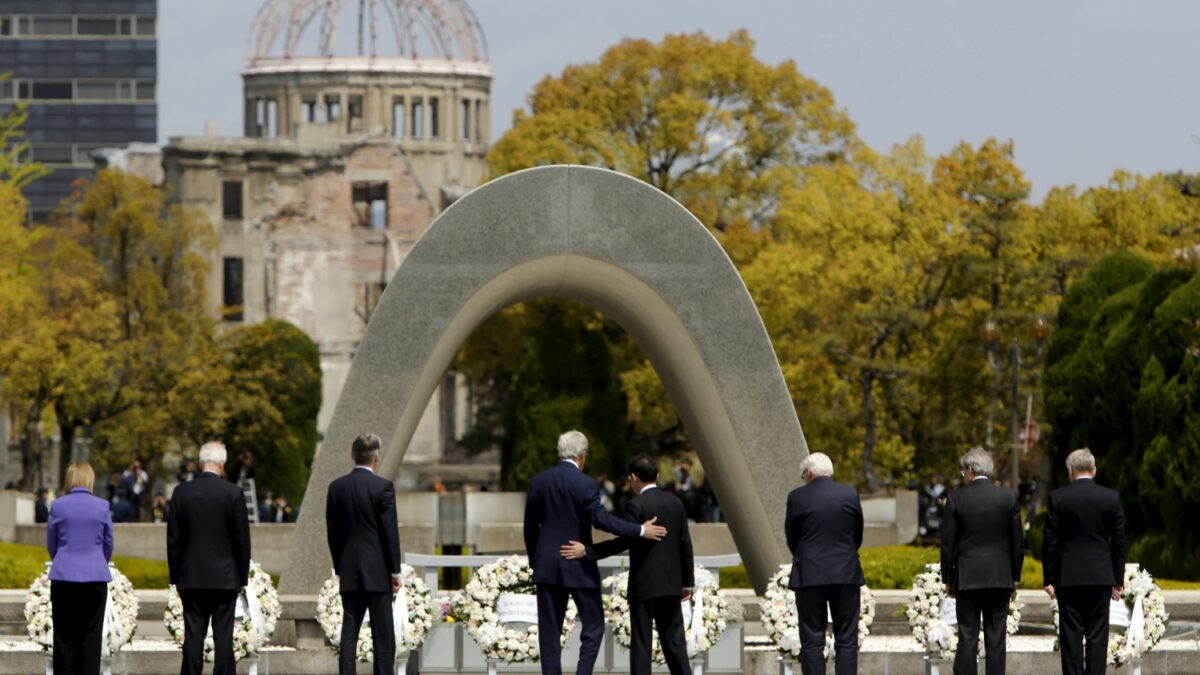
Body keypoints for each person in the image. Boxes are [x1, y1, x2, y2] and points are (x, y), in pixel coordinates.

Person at [523, 430, 667, 675]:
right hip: (579, 565)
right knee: (593, 626)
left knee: (549, 633)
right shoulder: (586, 483)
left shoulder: (539, 482)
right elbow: (601, 520)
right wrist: (640, 530)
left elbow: (529, 527)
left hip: (547, 567)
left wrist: (536, 560)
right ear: (582, 456)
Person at [560, 454, 694, 675]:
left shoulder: (636, 504)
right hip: (671, 584)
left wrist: (588, 551)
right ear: (658, 476)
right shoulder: (675, 502)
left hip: (644, 585)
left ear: (633, 478)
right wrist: (687, 582)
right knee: (675, 643)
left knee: (642, 645)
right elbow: (685, 543)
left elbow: (625, 540)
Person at [167, 442, 252, 675]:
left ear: (201, 462)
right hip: (225, 578)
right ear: (222, 465)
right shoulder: (233, 493)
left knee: (193, 637)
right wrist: (241, 578)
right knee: (224, 638)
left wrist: (176, 577)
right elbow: (242, 540)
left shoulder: (181, 492)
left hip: (191, 578)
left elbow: (173, 539)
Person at [940, 448, 1023, 675]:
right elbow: (1017, 542)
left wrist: (947, 578)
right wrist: (1015, 576)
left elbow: (948, 543)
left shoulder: (956, 497)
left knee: (967, 636)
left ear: (970, 470)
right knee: (996, 638)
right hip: (999, 576)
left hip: (967, 577)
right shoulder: (1007, 497)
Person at [1043, 448, 1125, 675]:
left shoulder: (1058, 498)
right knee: (1097, 637)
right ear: (1094, 469)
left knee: (1071, 637)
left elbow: (1050, 541)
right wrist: (1118, 579)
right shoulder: (1111, 498)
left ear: (1070, 470)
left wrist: (1049, 578)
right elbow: (1118, 542)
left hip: (1068, 577)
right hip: (1100, 576)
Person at [326, 433, 402, 675]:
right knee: (383, 636)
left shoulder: (336, 488)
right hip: (378, 571)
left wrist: (340, 567)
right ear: (376, 459)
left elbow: (333, 534)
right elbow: (389, 534)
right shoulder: (383, 488)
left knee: (349, 633)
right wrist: (395, 571)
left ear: (352, 455)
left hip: (350, 569)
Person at [785, 452, 865, 675]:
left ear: (809, 472)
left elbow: (792, 538)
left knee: (812, 641)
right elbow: (856, 536)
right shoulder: (850, 494)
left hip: (809, 574)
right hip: (845, 573)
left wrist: (805, 557)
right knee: (846, 640)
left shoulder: (796, 497)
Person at [47, 462, 113, 675]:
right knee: (91, 639)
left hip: (64, 577)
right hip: (94, 579)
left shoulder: (57, 505)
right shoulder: (102, 506)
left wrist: (63, 561)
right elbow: (108, 544)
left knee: (64, 639)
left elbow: (52, 543)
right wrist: (96, 562)